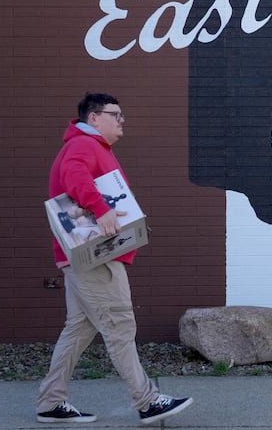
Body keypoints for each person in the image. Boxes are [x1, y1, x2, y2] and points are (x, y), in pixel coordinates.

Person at [36, 93, 194, 425]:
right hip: (97, 258)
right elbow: (73, 175)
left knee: (78, 330)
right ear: (94, 118)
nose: (122, 120)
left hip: (81, 258)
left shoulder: (91, 147)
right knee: (120, 324)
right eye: (116, 114)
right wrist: (102, 208)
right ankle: (147, 400)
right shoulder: (84, 145)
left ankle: (51, 401)